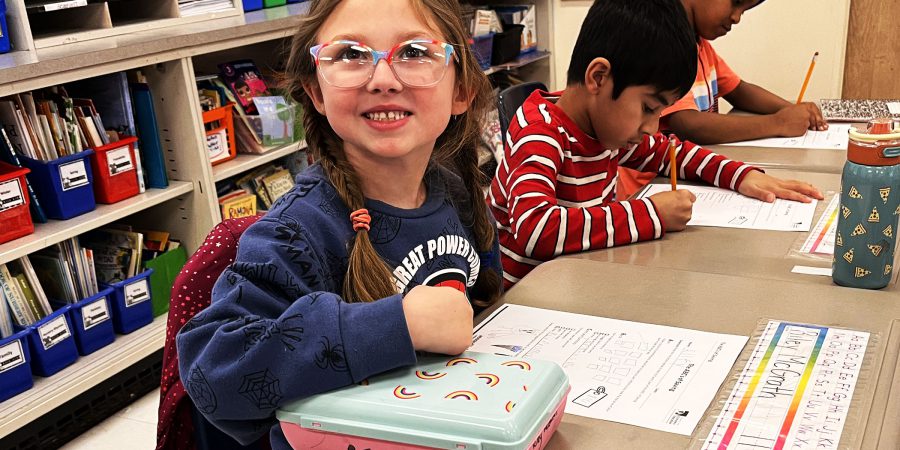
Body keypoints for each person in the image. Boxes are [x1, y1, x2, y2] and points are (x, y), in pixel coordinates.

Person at [176, 0, 501, 447]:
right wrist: (398, 324)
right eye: (350, 54)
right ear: (316, 91)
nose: (383, 79)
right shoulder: (297, 233)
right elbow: (216, 372)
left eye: (414, 52)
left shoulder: (457, 191)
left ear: (460, 88)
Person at [488, 0, 823, 289]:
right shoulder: (540, 132)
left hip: (582, 281)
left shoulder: (608, 130)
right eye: (649, 108)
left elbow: (670, 152)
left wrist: (740, 176)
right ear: (599, 78)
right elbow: (537, 230)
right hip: (530, 303)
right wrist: (651, 215)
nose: (651, 127)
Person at [663, 0, 827, 144]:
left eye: (744, 10)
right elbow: (688, 124)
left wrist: (792, 111)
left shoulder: (702, 46)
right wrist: (778, 123)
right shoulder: (666, 47)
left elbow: (739, 90)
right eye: (736, 2)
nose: (737, 18)